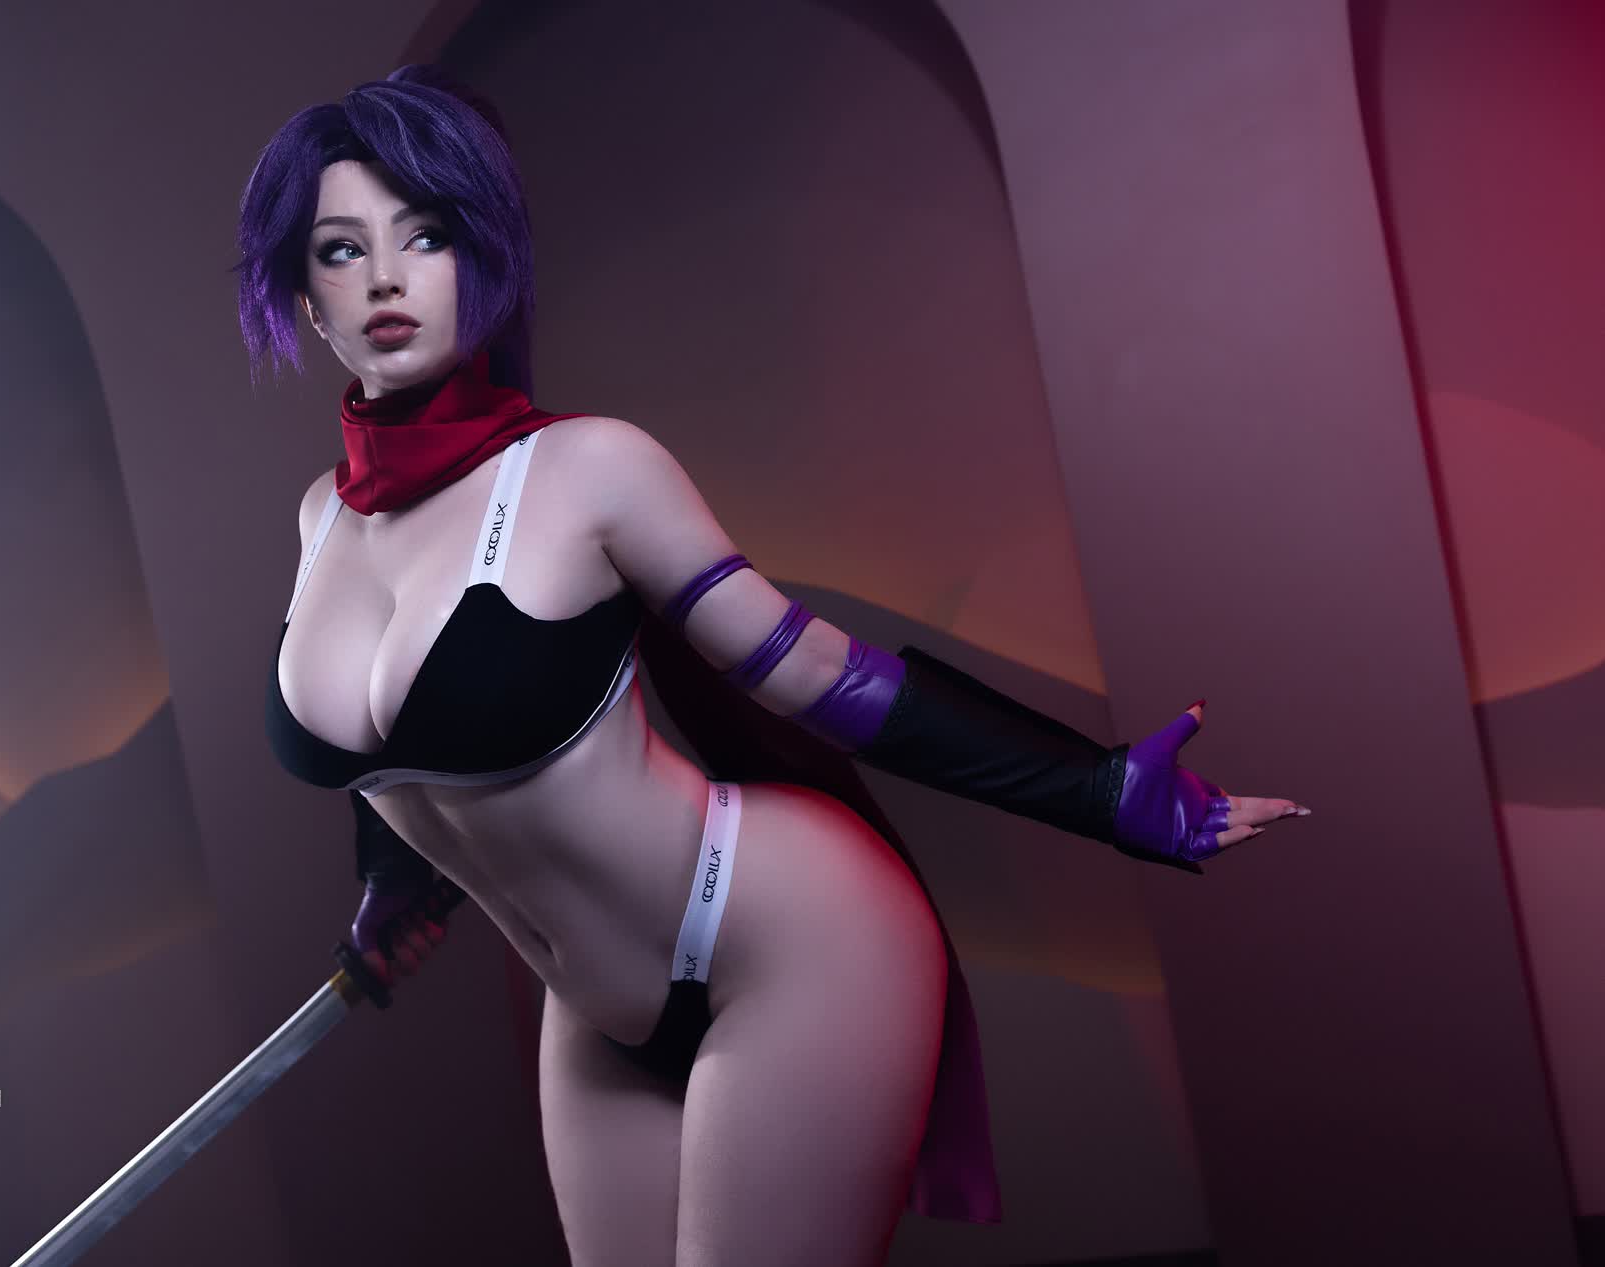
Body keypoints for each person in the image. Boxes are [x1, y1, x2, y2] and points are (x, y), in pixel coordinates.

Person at [235, 64, 1308, 1267]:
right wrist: (392, 882)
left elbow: (824, 680)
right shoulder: (319, 521)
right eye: (341, 250)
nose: (386, 276)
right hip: (593, 1014)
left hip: (783, 940)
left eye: (425, 235)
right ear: (306, 298)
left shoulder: (587, 470)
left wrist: (1096, 789)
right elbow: (391, 747)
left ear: (479, 257)